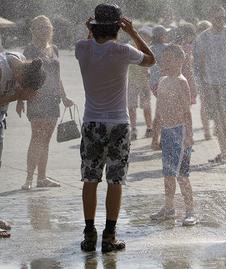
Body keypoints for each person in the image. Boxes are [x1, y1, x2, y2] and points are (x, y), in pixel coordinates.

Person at [75, 3, 155, 253]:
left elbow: (90, 46)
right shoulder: (123, 51)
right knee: (115, 180)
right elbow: (151, 60)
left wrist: (90, 31)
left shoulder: (81, 48)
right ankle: (110, 236)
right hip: (119, 123)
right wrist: (133, 32)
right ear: (118, 27)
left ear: (94, 26)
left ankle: (89, 235)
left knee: (90, 179)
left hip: (92, 122)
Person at [18, 15, 74, 190]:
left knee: (46, 140)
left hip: (53, 100)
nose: (44, 30)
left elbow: (57, 77)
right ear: (33, 30)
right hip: (36, 98)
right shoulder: (29, 50)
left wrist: (64, 97)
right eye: (40, 27)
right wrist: (20, 99)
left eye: (47, 27)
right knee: (37, 138)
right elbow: (22, 76)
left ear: (51, 30)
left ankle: (41, 178)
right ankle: (28, 179)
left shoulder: (54, 48)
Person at [149, 44, 196, 226]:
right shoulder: (162, 81)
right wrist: (156, 135)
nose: (165, 63)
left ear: (180, 61)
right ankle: (169, 208)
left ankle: (190, 211)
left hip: (180, 131)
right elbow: (159, 110)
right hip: (167, 132)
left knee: (182, 175)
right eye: (164, 59)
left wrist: (189, 135)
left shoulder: (181, 82)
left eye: (169, 59)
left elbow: (187, 111)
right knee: (168, 173)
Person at [0, 50, 44, 239]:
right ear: (21, 75)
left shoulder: (19, 60)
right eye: (21, 84)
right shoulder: (2, 69)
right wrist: (16, 96)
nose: (18, 86)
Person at [195, 5, 226, 164]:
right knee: (217, 119)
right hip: (210, 83)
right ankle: (223, 152)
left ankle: (225, 153)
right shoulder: (203, 37)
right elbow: (200, 61)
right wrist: (202, 82)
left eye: (223, 17)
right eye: (217, 18)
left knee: (225, 118)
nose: (220, 21)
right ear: (210, 18)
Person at [128, 29, 153, 141]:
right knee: (132, 107)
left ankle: (149, 128)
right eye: (140, 36)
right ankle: (133, 129)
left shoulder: (149, 49)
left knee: (146, 107)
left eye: (145, 37)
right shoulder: (130, 48)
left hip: (144, 84)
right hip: (132, 82)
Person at [149, 25, 169, 150]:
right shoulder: (167, 48)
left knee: (161, 111)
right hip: (165, 82)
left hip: (154, 83)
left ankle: (157, 140)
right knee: (162, 112)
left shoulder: (150, 48)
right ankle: (157, 140)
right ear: (161, 36)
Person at [195, 20, 213, 140]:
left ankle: (207, 131)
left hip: (201, 77)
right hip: (208, 77)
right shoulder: (211, 42)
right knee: (214, 104)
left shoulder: (196, 43)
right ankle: (212, 129)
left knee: (204, 104)